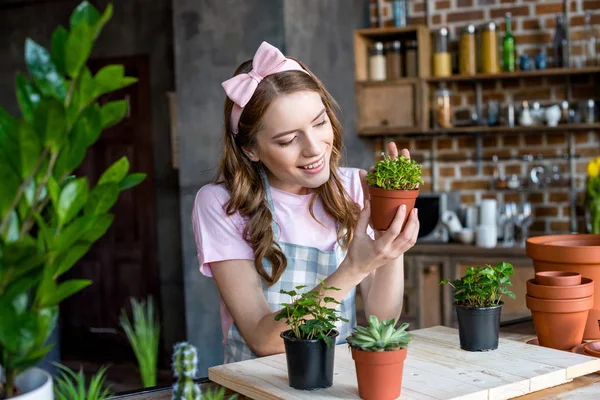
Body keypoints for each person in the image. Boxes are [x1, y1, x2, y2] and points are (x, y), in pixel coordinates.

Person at [192, 41, 419, 363]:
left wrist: (388, 246)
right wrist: (355, 267)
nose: (314, 148)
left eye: (319, 122)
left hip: (334, 381)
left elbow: (383, 318)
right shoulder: (222, 203)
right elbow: (262, 339)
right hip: (258, 388)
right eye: (287, 140)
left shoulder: (355, 187)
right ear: (251, 150)